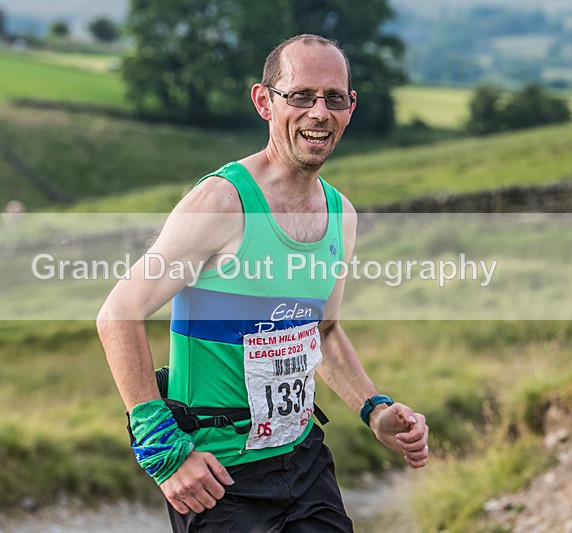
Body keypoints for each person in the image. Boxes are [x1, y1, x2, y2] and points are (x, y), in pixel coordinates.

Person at [97, 33, 429, 532]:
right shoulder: (222, 202)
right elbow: (119, 313)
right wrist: (163, 452)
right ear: (264, 102)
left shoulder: (341, 215)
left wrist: (374, 409)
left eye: (333, 98)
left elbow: (323, 329)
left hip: (303, 460)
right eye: (300, 96)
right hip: (219, 477)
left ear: (350, 108)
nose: (319, 112)